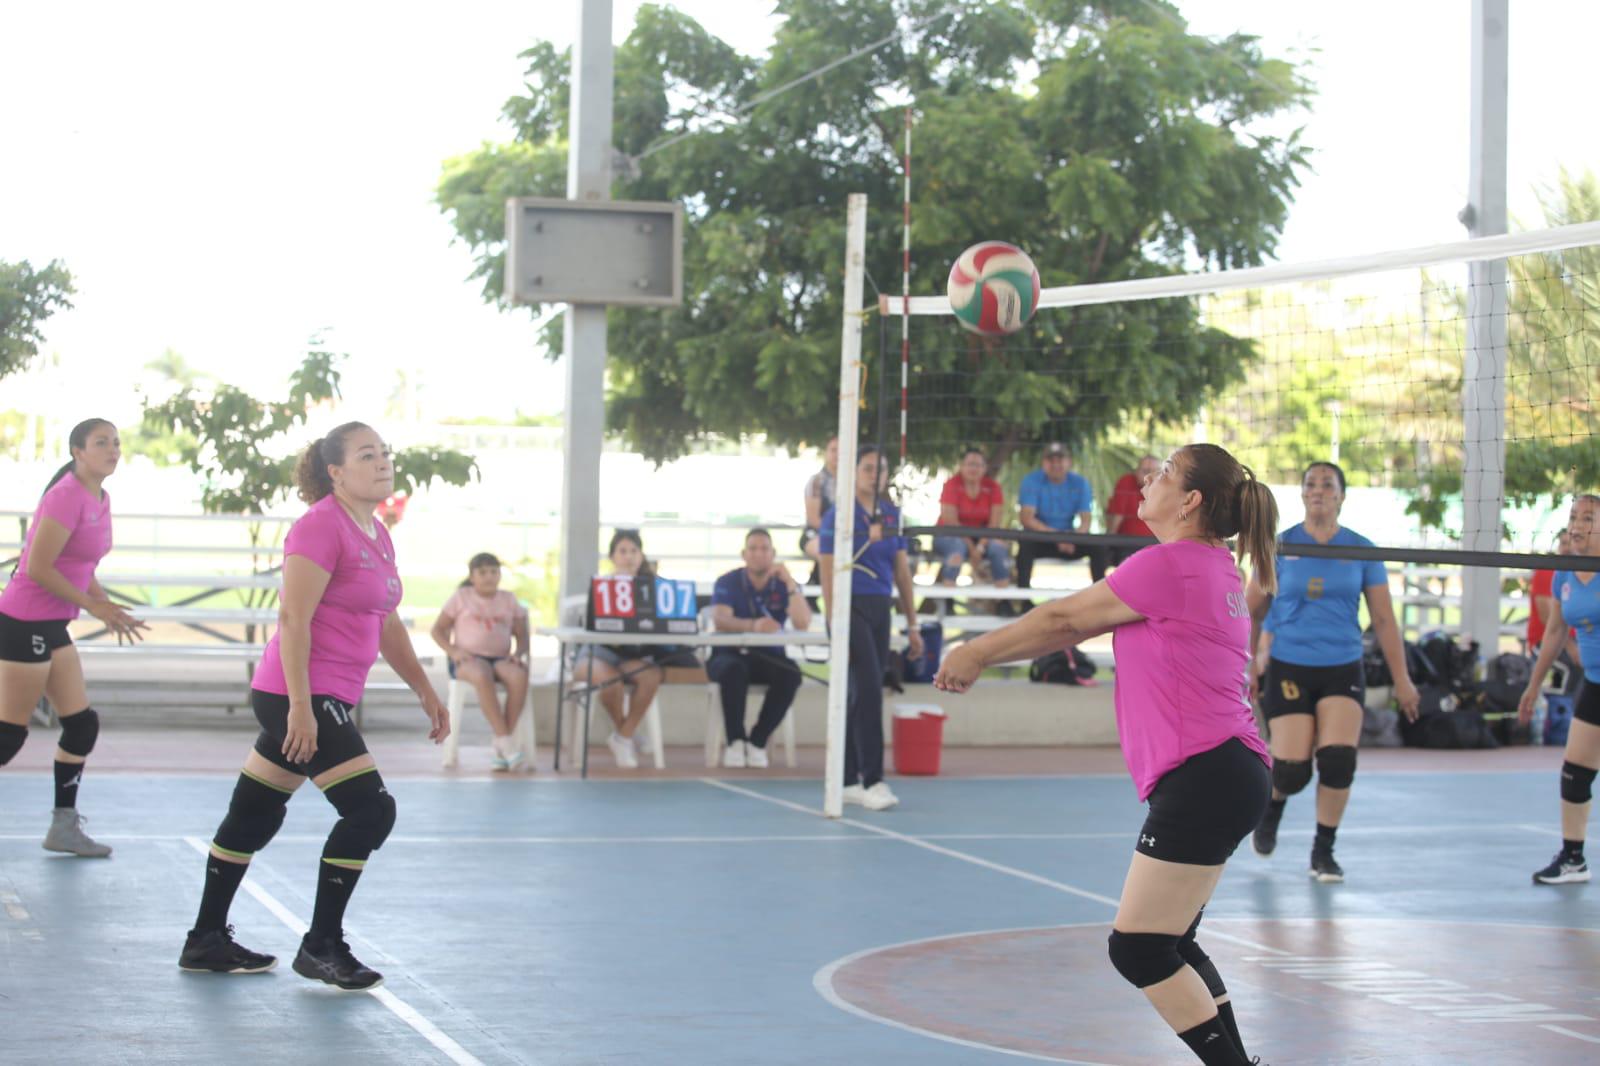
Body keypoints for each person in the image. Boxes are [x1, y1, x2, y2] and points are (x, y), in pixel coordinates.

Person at [935, 443, 1278, 1066]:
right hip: (1231, 769)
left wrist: (976, 651)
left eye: (1167, 473)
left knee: (1140, 948)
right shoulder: (1213, 565)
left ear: (1191, 501)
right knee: (1173, 941)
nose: (1151, 478)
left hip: (1208, 773)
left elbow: (1065, 621)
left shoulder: (1171, 564)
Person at [179, 422, 450, 988]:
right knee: (371, 811)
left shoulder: (374, 532)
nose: (382, 462)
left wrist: (423, 687)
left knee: (254, 814)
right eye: (367, 455)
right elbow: (293, 619)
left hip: (320, 695)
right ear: (336, 471)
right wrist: (300, 708)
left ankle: (206, 938)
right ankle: (322, 945)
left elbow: (386, 619)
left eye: (385, 453)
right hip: (297, 692)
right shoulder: (318, 527)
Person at [1245, 461, 1420, 883]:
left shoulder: (1361, 549)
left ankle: (1323, 852)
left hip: (1342, 665)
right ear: (1302, 494)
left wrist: (1403, 679)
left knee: (1339, 761)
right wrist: (1248, 662)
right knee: (1290, 770)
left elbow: (1383, 621)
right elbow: (1251, 610)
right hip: (1289, 665)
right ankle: (1273, 807)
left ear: (1342, 495)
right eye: (1311, 484)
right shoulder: (1280, 546)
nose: (1318, 490)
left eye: (1328, 484)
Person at [0, 418, 147, 858]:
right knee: (8, 737)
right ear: (78, 452)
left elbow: (80, 565)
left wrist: (104, 603)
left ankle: (63, 827)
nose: (113, 449)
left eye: (117, 442)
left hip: (52, 625)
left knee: (81, 726)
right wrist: (93, 606)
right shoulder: (65, 497)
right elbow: (38, 569)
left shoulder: (99, 498)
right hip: (24, 623)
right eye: (101, 442)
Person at [818, 445, 923, 811]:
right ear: (853, 472)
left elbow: (901, 571)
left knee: (864, 688)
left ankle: (847, 778)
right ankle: (872, 779)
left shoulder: (891, 515)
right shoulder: (839, 516)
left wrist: (913, 623)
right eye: (866, 468)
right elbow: (827, 571)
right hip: (850, 606)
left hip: (881, 607)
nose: (872, 475)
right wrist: (835, 621)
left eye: (879, 469)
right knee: (867, 688)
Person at [1517, 493, 1600, 885]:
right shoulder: (1565, 572)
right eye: (1574, 517)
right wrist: (1533, 686)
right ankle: (1572, 859)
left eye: (1588, 518)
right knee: (1574, 773)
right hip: (1595, 684)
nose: (1578, 524)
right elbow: (1554, 631)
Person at [707, 528, 811, 768]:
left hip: (768, 656)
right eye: (753, 549)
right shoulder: (728, 581)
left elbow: (802, 622)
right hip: (730, 654)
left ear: (773, 553)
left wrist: (791, 585)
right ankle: (735, 740)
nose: (758, 554)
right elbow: (721, 620)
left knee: (791, 673)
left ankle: (757, 741)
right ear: (744, 554)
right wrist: (754, 625)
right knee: (732, 671)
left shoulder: (783, 585)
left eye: (764, 549)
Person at [431, 552, 531, 771]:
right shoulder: (461, 597)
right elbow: (437, 630)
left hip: (501, 658)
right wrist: (453, 651)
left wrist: (519, 652)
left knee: (519, 675)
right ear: (472, 576)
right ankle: (507, 743)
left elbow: (523, 636)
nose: (489, 577)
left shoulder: (508, 599)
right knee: (481, 674)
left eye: (494, 571)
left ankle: (501, 744)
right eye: (483, 572)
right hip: (468, 659)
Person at [575, 529, 666, 769]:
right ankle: (627, 732)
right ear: (612, 556)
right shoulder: (601, 585)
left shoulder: (653, 587)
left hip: (632, 655)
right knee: (609, 680)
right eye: (623, 551)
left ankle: (622, 736)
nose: (629, 557)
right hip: (598, 653)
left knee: (651, 674)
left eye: (634, 551)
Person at [1017, 442, 1106, 589]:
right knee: (1025, 544)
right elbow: (1027, 519)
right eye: (1051, 460)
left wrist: (1073, 539)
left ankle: (1100, 599)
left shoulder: (1080, 483)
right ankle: (1024, 599)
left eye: (1060, 460)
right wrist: (1057, 537)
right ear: (1043, 463)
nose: (1055, 464)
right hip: (1042, 538)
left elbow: (1086, 520)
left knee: (1099, 546)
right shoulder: (1031, 480)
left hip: (1070, 540)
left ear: (1069, 462)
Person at [932, 447, 1012, 589]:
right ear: (961, 466)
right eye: (970, 464)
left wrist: (980, 547)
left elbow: (994, 524)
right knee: (956, 549)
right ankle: (948, 600)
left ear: (985, 468)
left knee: (998, 549)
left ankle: (1003, 601)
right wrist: (972, 548)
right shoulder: (951, 484)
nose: (973, 469)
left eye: (978, 465)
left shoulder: (993, 487)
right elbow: (951, 522)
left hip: (983, 536)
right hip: (951, 535)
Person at [1528, 527, 1581, 667]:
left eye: (1571, 543)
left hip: (1577, 639)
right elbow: (1547, 617)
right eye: (1563, 543)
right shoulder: (1546, 571)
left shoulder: (1583, 572)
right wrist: (1571, 647)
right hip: (1544, 640)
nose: (1567, 548)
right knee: (1578, 668)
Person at [1106, 455, 1161, 567]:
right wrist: (1108, 543)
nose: (1148, 475)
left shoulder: (1164, 488)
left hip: (1156, 543)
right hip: (1127, 542)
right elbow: (1117, 516)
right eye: (1145, 471)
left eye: (1154, 471)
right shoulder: (1126, 481)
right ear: (1136, 471)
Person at [800, 436, 839, 570]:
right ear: (826, 453)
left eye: (841, 450)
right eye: (833, 450)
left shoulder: (854, 482)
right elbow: (814, 520)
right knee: (828, 553)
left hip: (845, 535)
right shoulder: (816, 481)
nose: (837, 454)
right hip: (817, 533)